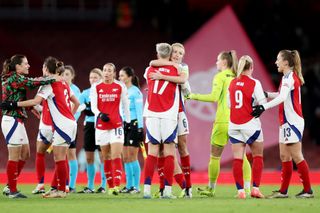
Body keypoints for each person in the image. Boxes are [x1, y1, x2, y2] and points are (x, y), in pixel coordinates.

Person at [7, 56, 79, 198]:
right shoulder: (64, 83)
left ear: (46, 69)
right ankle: (57, 189)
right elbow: (75, 103)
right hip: (70, 123)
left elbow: (36, 101)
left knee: (58, 157)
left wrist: (14, 104)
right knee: (60, 156)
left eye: (42, 68)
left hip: (63, 125)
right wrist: (68, 117)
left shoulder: (48, 84)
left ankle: (60, 190)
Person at [188, 50, 252, 197]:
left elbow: (214, 97)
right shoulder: (238, 77)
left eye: (218, 60)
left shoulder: (220, 77)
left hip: (223, 121)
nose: (216, 63)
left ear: (224, 62)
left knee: (215, 157)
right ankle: (247, 189)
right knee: (242, 156)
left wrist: (192, 95)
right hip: (238, 121)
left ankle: (211, 189)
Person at [251, 50, 314, 198]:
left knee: (297, 156)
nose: (275, 62)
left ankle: (308, 190)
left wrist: (263, 107)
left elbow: (282, 98)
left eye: (278, 59)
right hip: (286, 122)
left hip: (292, 122)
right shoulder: (287, 77)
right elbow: (282, 96)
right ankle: (283, 191)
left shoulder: (289, 78)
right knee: (284, 156)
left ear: (286, 63)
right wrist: (267, 95)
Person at [0, 54, 56, 198]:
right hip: (11, 120)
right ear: (18, 66)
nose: (28, 66)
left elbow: (21, 98)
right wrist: (54, 78)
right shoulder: (15, 78)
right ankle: (12, 190)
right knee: (14, 155)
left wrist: (33, 110)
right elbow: (33, 83)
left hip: (17, 120)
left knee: (25, 154)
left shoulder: (14, 78)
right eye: (25, 63)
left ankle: (9, 185)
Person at [143, 43, 186, 199]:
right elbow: (183, 80)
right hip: (169, 115)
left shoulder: (149, 70)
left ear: (157, 53)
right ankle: (167, 191)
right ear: (170, 55)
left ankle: (146, 189)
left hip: (152, 114)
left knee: (152, 152)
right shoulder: (177, 69)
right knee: (169, 152)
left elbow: (153, 64)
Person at [228, 55, 266, 199]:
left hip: (234, 125)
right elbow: (262, 103)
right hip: (250, 124)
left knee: (238, 159)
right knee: (257, 156)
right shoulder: (255, 83)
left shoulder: (232, 83)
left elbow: (229, 104)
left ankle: (241, 192)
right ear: (251, 68)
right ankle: (255, 189)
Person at [90, 62, 130, 195]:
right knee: (105, 156)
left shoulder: (120, 86)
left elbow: (125, 104)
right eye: (104, 70)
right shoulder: (96, 87)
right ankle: (111, 186)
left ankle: (117, 185)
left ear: (114, 73)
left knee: (116, 154)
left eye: (109, 71)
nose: (106, 73)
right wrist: (100, 114)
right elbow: (94, 106)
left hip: (116, 125)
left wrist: (128, 121)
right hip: (102, 125)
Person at [77, 68, 107, 193]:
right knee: (89, 157)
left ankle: (104, 185)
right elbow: (77, 107)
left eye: (95, 77)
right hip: (89, 126)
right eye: (91, 77)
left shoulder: (105, 92)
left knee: (103, 157)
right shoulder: (85, 93)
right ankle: (90, 185)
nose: (93, 80)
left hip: (102, 126)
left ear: (100, 78)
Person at [118, 66, 144, 194]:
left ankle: (136, 187)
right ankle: (128, 186)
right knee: (126, 157)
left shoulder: (136, 92)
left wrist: (140, 127)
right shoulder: (121, 91)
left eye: (122, 75)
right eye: (119, 76)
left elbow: (140, 111)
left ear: (129, 77)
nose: (120, 78)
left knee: (133, 157)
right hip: (123, 125)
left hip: (134, 125)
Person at [62, 65, 81, 192]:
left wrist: (70, 120)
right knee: (60, 154)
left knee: (71, 154)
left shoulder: (75, 89)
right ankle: (62, 183)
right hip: (59, 126)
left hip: (70, 125)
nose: (65, 77)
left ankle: (71, 184)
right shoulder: (59, 87)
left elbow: (78, 108)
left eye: (67, 74)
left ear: (72, 76)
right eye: (63, 74)